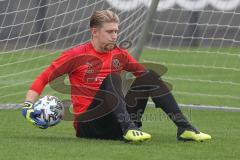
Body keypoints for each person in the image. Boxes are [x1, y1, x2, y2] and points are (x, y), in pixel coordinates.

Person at [21, 10, 211, 142]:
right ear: (94, 32)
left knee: (150, 75)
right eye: (110, 32)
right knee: (113, 78)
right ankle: (129, 129)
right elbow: (43, 78)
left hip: (115, 121)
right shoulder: (76, 55)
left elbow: (146, 80)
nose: (115, 36)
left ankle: (184, 128)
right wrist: (28, 106)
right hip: (89, 125)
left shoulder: (119, 54)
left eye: (116, 31)